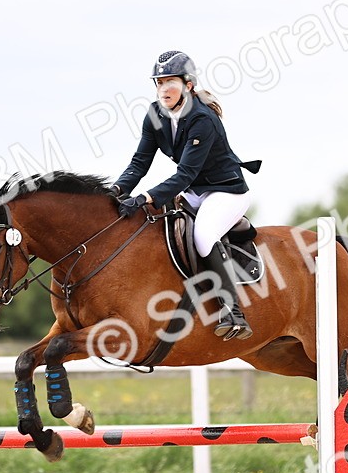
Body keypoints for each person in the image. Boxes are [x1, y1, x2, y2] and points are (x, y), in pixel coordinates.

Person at [111, 50, 261, 341]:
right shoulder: (155, 115)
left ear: (188, 85)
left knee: (203, 235)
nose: (163, 89)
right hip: (194, 192)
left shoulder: (202, 119)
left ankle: (233, 312)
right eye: (158, 83)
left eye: (170, 82)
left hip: (226, 191)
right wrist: (117, 190)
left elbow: (185, 174)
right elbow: (140, 162)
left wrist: (144, 198)